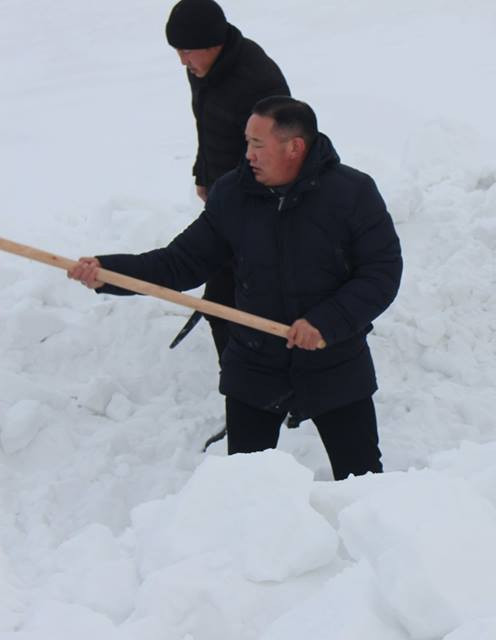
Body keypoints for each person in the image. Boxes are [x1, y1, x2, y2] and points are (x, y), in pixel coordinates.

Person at [68, 97, 403, 480]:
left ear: (295, 147)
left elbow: (381, 272)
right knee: (245, 488)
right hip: (255, 364)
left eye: (257, 145)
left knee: (363, 482)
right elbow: (180, 262)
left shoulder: (352, 193)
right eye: (247, 142)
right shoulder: (234, 194)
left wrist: (326, 323)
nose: (248, 155)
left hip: (335, 363)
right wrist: (109, 272)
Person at [165, 0, 290, 360]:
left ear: (212, 43)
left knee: (236, 302)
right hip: (227, 199)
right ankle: (244, 380)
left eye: (186, 51)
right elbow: (210, 128)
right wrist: (203, 174)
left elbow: (281, 157)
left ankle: (260, 385)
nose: (182, 61)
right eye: (177, 51)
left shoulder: (258, 82)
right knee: (223, 301)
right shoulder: (204, 71)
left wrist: (250, 211)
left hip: (259, 207)